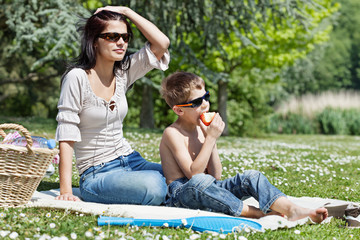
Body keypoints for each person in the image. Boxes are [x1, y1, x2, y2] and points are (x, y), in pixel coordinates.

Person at [159, 71, 328, 222]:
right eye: (197, 102)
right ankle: (255, 213)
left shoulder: (202, 129)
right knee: (199, 182)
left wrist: (212, 141)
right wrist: (210, 139)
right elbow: (194, 175)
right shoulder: (172, 133)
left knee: (251, 177)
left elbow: (216, 176)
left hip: (211, 189)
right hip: (182, 195)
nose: (205, 104)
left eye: (206, 97)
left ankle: (291, 209)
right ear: (179, 110)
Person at [55, 6, 170, 205]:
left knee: (179, 173)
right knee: (156, 185)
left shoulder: (123, 72)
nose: (121, 43)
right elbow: (66, 134)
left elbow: (162, 43)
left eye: (125, 38)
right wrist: (66, 190)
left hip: (131, 160)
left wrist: (126, 11)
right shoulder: (77, 77)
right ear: (94, 41)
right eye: (112, 36)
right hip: (96, 174)